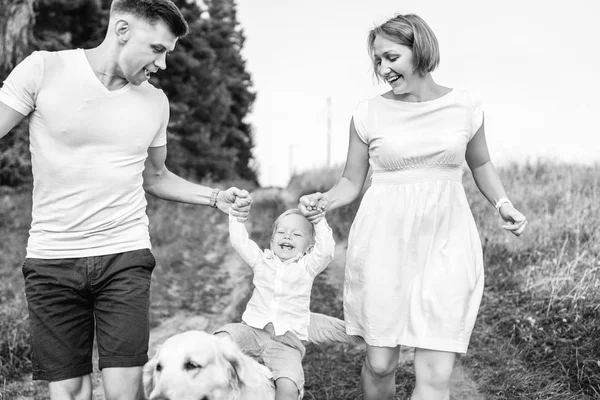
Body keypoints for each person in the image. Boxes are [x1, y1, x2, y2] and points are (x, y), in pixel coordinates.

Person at [0, 1, 251, 399]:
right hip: (52, 256)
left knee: (124, 391)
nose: (163, 63)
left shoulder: (155, 102)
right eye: (157, 49)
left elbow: (156, 175)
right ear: (121, 30)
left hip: (124, 253)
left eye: (167, 52)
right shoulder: (44, 70)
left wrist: (215, 197)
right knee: (68, 390)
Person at [299, 13, 528, 400]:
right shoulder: (367, 112)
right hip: (383, 242)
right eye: (377, 61)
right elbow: (351, 181)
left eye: (391, 57)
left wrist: (502, 202)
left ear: (419, 49)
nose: (383, 69)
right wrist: (324, 199)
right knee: (380, 363)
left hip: (447, 241)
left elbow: (481, 163)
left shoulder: (464, 105)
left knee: (436, 372)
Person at [214, 208, 336, 400]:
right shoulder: (262, 262)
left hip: (287, 344)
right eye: (281, 232)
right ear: (272, 241)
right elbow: (240, 243)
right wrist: (236, 217)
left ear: (310, 247)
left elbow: (326, 251)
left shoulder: (307, 268)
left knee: (288, 386)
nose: (288, 236)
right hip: (253, 331)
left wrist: (319, 220)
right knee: (221, 339)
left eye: (296, 234)